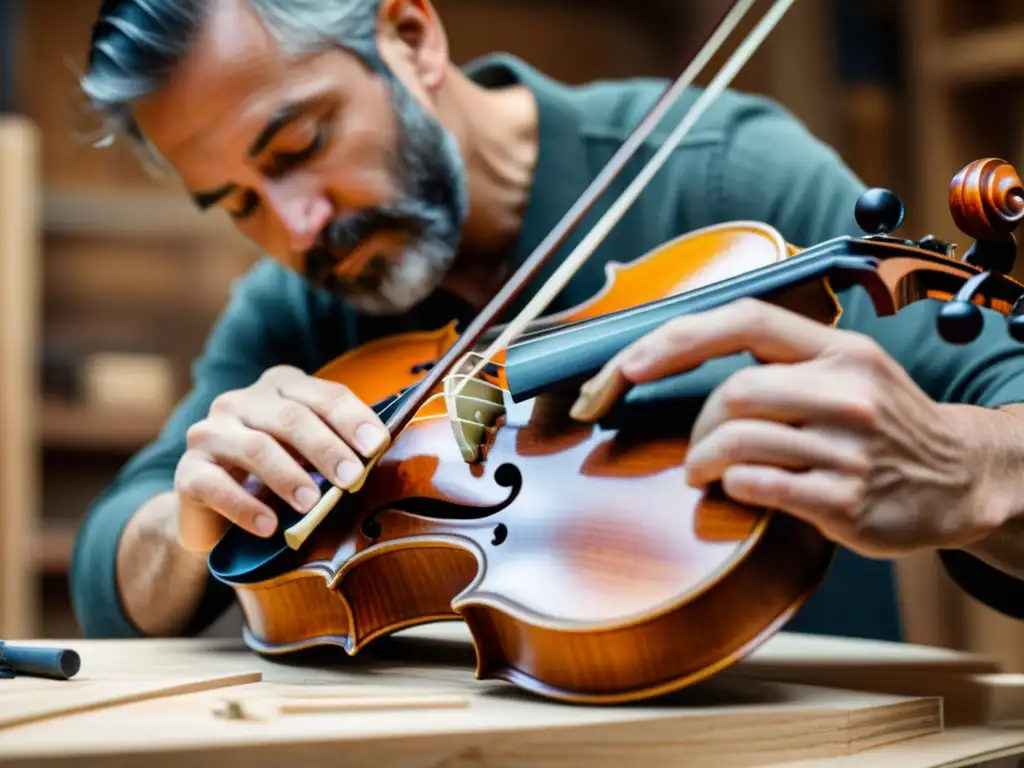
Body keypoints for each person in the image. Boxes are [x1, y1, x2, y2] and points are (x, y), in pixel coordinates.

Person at [70, 0, 1024, 643]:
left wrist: (972, 465)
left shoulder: (728, 178)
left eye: (301, 143)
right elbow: (111, 552)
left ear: (411, 36)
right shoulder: (300, 306)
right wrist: (190, 520)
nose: (295, 224)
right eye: (235, 202)